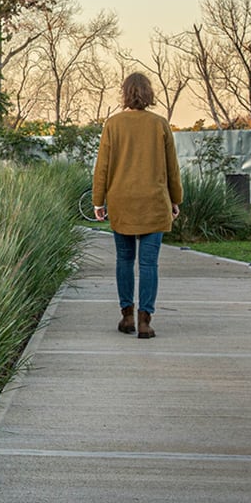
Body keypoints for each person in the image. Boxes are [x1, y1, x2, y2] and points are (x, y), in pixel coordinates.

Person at [91, 72, 183, 339]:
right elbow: (172, 168)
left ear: (125, 93)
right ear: (149, 93)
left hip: (122, 203)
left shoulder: (113, 124)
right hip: (154, 202)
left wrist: (99, 201)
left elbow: (103, 168)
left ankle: (127, 317)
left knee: (124, 260)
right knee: (149, 264)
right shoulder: (160, 124)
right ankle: (145, 321)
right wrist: (175, 199)